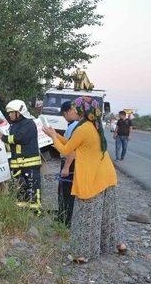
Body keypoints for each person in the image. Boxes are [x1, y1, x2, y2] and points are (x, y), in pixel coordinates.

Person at [43, 96, 121, 262]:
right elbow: (73, 144)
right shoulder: (94, 125)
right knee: (108, 215)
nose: (73, 111)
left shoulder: (82, 128)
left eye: (76, 109)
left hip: (92, 178)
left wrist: (53, 136)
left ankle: (83, 254)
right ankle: (118, 244)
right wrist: (54, 135)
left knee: (85, 218)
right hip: (106, 175)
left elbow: (65, 149)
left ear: (82, 111)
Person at [0, 100, 41, 211]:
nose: (9, 115)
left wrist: (3, 137)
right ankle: (22, 213)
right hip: (18, 164)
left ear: (19, 112)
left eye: (12, 112)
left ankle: (35, 213)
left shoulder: (29, 124)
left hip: (30, 164)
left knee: (32, 189)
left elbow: (19, 138)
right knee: (20, 190)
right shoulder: (15, 125)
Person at [57, 101, 80, 226]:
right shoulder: (73, 125)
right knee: (64, 191)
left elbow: (72, 148)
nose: (65, 117)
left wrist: (66, 167)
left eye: (65, 114)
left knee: (66, 192)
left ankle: (65, 220)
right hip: (69, 162)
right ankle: (63, 217)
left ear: (69, 111)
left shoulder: (76, 126)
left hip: (70, 163)